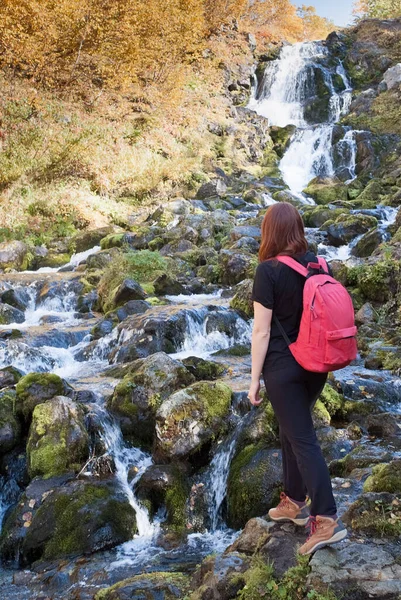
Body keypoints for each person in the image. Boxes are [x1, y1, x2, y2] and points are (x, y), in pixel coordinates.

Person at [248, 202, 347, 555]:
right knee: (291, 431)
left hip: (283, 369)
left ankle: (326, 519)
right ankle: (293, 501)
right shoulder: (319, 263)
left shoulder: (267, 271)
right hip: (316, 364)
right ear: (298, 229)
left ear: (269, 232)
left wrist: (253, 379)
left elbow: (261, 332)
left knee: (303, 439)